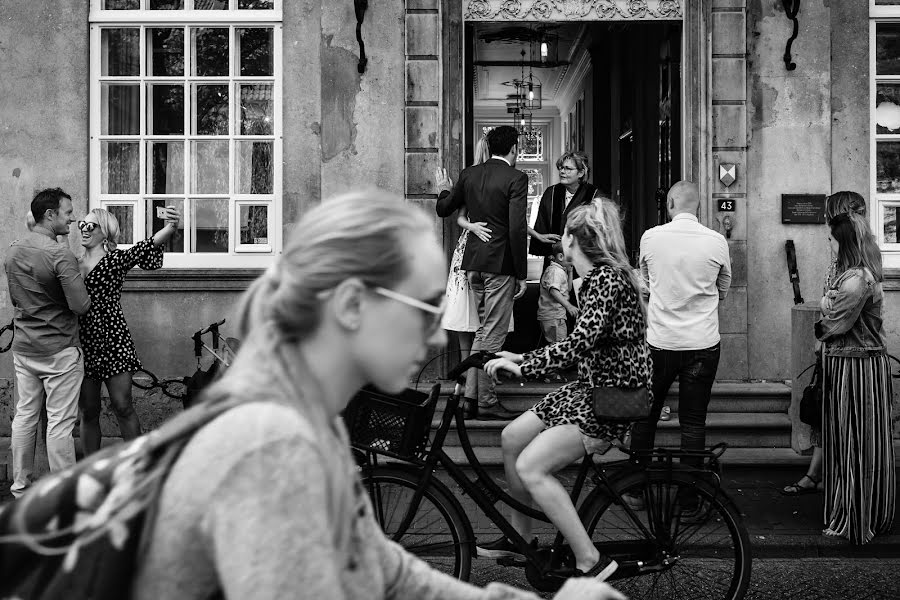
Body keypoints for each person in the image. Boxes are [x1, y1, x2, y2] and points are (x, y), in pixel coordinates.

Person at [131, 190, 625, 600]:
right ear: (350, 305)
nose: (437, 339)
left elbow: (388, 573)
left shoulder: (300, 436)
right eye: (425, 307)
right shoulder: (270, 455)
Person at [479, 198, 652, 579]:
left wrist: (522, 363)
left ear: (573, 239)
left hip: (612, 397)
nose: (561, 243)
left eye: (565, 236)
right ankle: (520, 539)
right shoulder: (596, 280)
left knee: (531, 467)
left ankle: (591, 560)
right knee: (511, 437)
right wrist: (519, 357)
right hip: (590, 388)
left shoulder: (606, 280)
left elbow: (579, 343)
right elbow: (583, 345)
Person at [629, 180, 731, 474]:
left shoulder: (651, 237)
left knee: (645, 415)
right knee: (694, 419)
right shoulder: (716, 241)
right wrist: (704, 303)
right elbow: (724, 285)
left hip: (660, 341)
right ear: (698, 206)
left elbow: (645, 283)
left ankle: (637, 486)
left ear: (670, 204)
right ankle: (690, 493)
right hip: (703, 342)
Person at [437, 125, 529, 420]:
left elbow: (444, 208)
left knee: (482, 331)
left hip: (473, 264)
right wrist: (521, 273)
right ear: (513, 148)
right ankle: (486, 401)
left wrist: (443, 189)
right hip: (499, 265)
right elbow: (516, 228)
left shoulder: (469, 174)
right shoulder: (516, 177)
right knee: (492, 334)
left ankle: (470, 399)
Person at [4, 188, 91, 498]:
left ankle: (20, 487)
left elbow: (17, 298)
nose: (73, 217)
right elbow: (81, 306)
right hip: (59, 349)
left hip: (25, 348)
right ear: (50, 215)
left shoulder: (13, 250)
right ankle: (64, 495)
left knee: (25, 415)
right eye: (68, 212)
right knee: (59, 423)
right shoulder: (59, 254)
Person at [815, 207, 895, 544]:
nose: (829, 247)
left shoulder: (856, 280)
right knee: (850, 441)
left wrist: (823, 310)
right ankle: (859, 510)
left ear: (844, 244)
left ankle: (856, 518)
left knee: (856, 443)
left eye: (832, 241)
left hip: (857, 367)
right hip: (850, 364)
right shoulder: (851, 275)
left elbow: (834, 323)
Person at [781, 191, 867, 496]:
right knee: (823, 413)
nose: (823, 224)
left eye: (828, 216)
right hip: (834, 350)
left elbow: (835, 310)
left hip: (848, 354)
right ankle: (816, 473)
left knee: (840, 417)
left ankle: (842, 486)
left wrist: (823, 327)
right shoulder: (840, 261)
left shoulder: (855, 267)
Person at [77, 206, 181, 455]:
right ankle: (94, 470)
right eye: (82, 224)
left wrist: (170, 228)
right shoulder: (71, 262)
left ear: (106, 232)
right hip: (83, 342)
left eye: (91, 225)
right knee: (89, 411)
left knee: (123, 406)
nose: (84, 229)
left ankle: (137, 465)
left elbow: (143, 248)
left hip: (114, 339)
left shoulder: (115, 260)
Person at [529, 151, 597, 268]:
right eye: (560, 168)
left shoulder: (593, 195)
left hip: (582, 261)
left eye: (567, 169)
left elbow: (596, 231)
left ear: (581, 173)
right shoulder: (551, 193)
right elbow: (542, 224)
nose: (562, 172)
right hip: (554, 260)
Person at [537, 241, 577, 346]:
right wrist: (568, 306)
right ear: (560, 257)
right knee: (559, 346)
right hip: (553, 316)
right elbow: (553, 290)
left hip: (556, 315)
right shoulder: (555, 272)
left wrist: (570, 271)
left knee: (555, 344)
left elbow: (568, 288)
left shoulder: (560, 271)